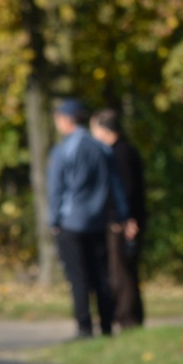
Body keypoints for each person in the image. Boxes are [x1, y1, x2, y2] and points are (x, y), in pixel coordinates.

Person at [47, 98, 131, 338]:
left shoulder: (64, 149)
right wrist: (122, 214)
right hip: (98, 221)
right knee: (101, 275)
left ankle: (84, 328)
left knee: (78, 277)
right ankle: (106, 325)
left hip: (71, 223)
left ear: (66, 120)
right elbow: (115, 186)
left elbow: (56, 188)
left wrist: (54, 220)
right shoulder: (101, 147)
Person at [90, 108, 146, 330]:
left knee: (121, 272)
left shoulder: (119, 153)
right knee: (125, 270)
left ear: (104, 129)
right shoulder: (125, 150)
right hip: (127, 220)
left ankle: (128, 318)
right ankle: (130, 317)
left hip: (124, 223)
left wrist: (126, 219)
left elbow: (127, 190)